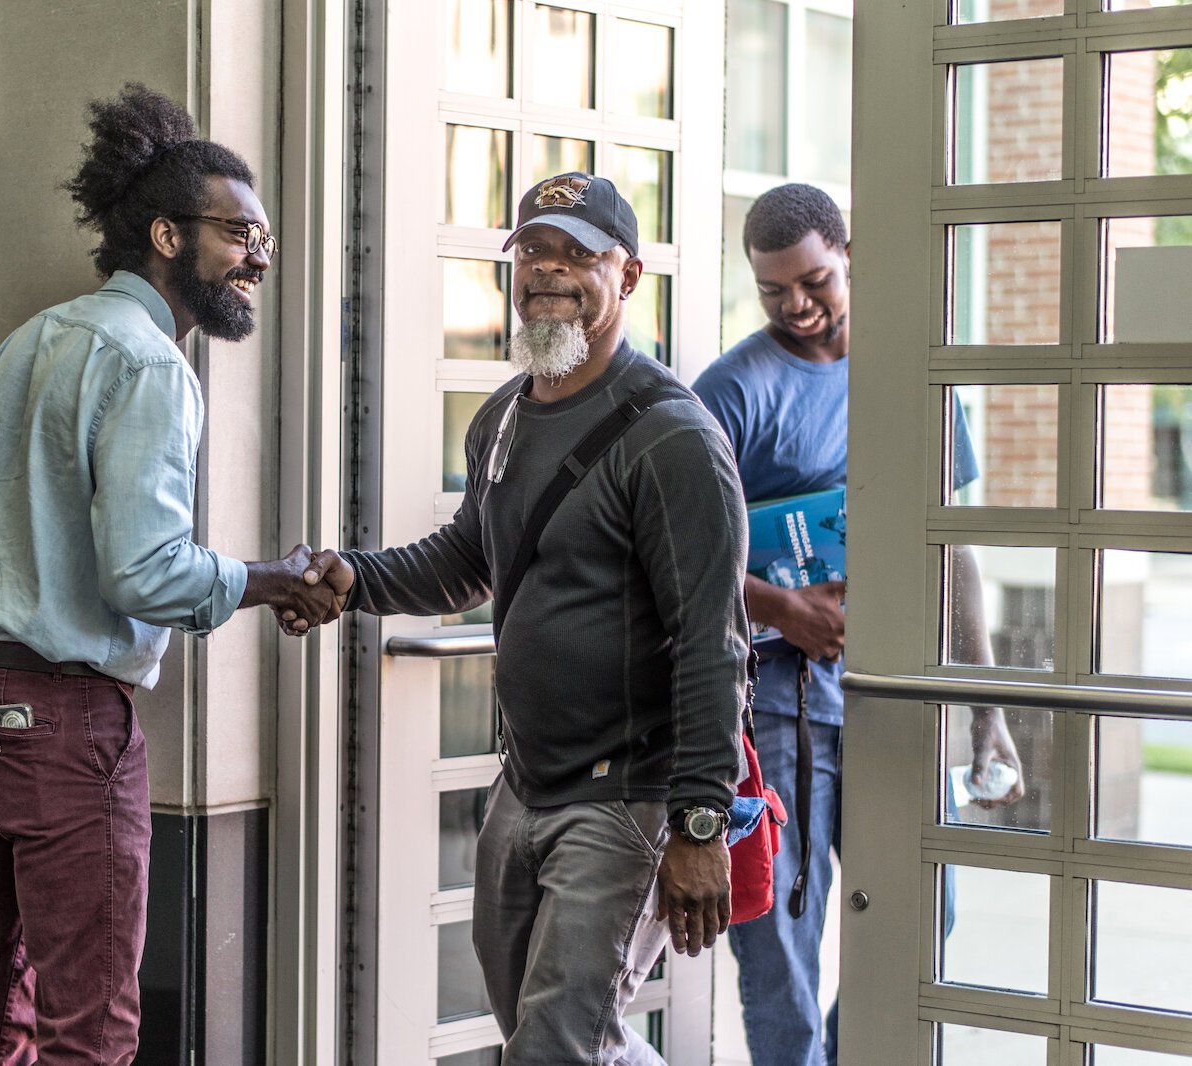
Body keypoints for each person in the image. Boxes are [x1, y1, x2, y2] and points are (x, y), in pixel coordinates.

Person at [0, 83, 349, 1066]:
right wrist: (273, 578)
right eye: (238, 233)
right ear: (163, 233)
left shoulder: (36, 339)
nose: (259, 257)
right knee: (91, 1029)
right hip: (66, 724)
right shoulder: (150, 364)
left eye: (262, 236)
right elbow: (146, 573)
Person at [298, 173, 752, 1065]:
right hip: (528, 782)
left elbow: (713, 643)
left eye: (578, 254)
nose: (548, 270)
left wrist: (699, 825)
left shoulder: (672, 438)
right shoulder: (506, 414)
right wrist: (351, 580)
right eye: (533, 252)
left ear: (626, 278)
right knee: (544, 1028)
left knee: (552, 1046)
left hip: (628, 795)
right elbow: (469, 559)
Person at [692, 183, 1026, 1066]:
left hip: (894, 702)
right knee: (783, 952)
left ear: (851, 259)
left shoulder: (915, 375)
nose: (795, 306)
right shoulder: (729, 393)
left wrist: (987, 713)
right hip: (773, 713)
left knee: (922, 916)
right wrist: (781, 609)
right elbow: (671, 558)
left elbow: (948, 553)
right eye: (772, 291)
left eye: (812, 282)